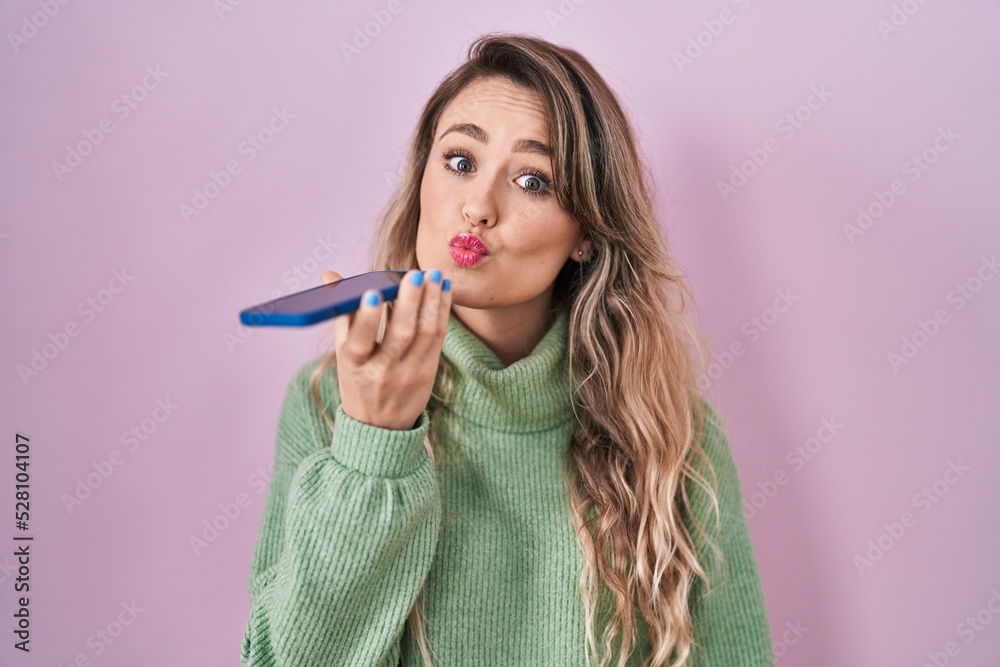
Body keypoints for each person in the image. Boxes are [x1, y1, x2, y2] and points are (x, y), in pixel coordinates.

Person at [240, 32, 775, 667]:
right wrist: (372, 447)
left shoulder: (672, 438)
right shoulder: (325, 404)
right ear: (421, 182)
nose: (478, 207)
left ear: (586, 233)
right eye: (460, 162)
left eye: (532, 179)